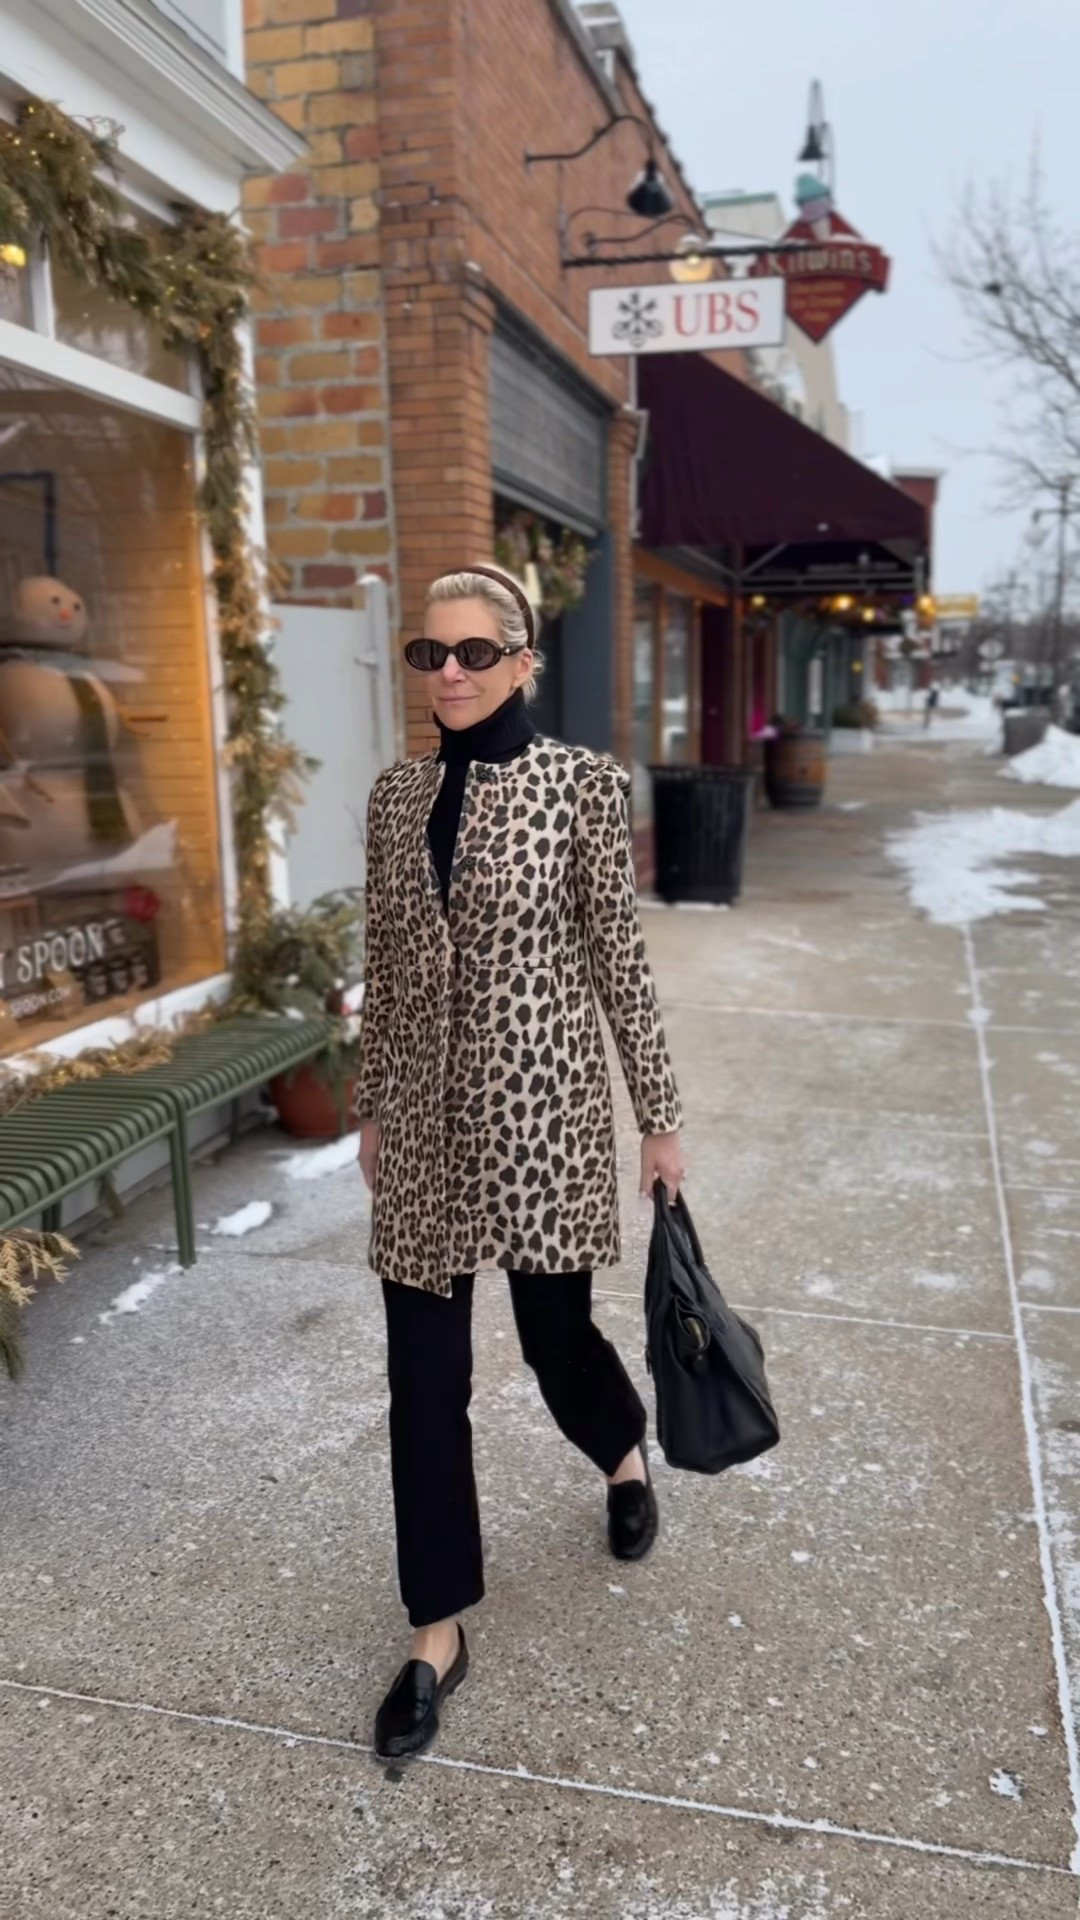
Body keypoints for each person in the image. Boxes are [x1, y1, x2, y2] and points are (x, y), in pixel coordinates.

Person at [354, 564, 685, 1762]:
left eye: (473, 653)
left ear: (523, 661)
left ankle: (621, 1451)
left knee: (556, 1340)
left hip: (543, 1113)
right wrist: (373, 1106)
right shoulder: (396, 800)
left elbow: (619, 965)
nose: (448, 673)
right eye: (429, 654)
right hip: (427, 1133)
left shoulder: (583, 788)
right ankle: (435, 1629)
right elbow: (388, 967)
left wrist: (659, 1115)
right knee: (422, 1384)